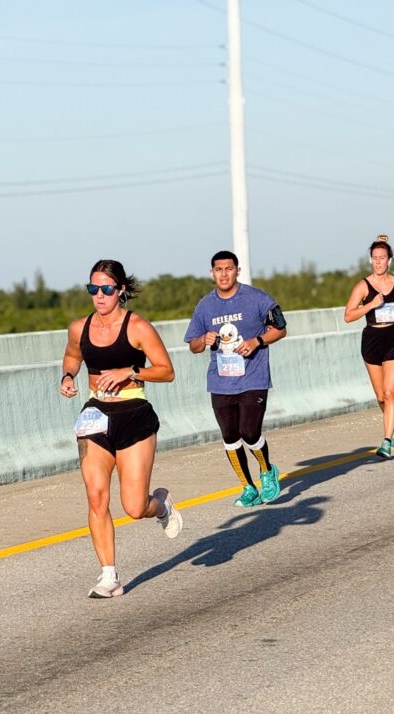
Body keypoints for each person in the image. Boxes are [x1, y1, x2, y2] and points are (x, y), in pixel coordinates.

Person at [60, 259, 183, 598]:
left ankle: (160, 504)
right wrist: (68, 376)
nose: (99, 296)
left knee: (133, 507)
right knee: (96, 494)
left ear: (121, 291)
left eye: (106, 289)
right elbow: (72, 357)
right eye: (93, 289)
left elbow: (166, 371)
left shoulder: (138, 327)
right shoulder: (79, 328)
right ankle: (108, 576)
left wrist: (131, 372)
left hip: (134, 415)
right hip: (95, 415)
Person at [184, 250, 288, 508]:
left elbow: (281, 328)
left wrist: (257, 341)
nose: (223, 274)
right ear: (212, 273)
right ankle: (248, 487)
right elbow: (193, 346)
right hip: (220, 381)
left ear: (237, 271)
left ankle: (266, 471)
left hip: (253, 378)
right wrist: (203, 340)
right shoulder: (205, 306)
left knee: (249, 432)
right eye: (218, 269)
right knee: (230, 436)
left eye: (228, 269)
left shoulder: (257, 298)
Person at [344, 236, 394, 458]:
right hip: (372, 339)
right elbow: (348, 316)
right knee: (381, 397)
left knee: (390, 393)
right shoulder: (363, 285)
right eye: (375, 258)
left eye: (383, 258)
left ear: (389, 260)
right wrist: (370, 304)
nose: (379, 262)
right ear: (370, 260)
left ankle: (386, 441)